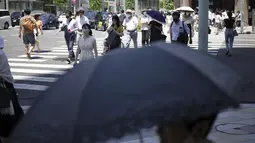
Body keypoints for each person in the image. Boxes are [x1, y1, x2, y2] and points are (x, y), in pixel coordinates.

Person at [0, 35, 24, 142]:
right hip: (5, 88)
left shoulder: (1, 55)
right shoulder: (2, 55)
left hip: (4, 88)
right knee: (11, 112)